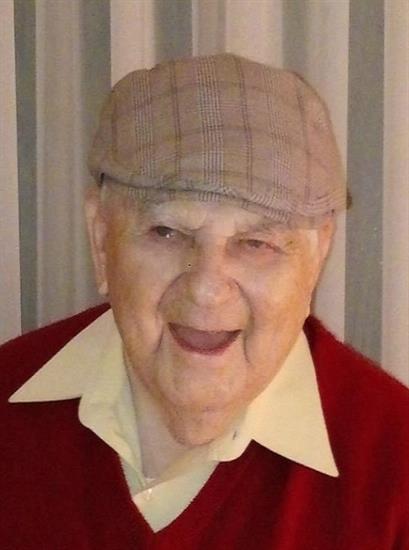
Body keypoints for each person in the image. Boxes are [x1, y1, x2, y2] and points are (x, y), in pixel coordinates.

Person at [1, 53, 408, 550]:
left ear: (317, 255)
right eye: (166, 232)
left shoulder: (396, 469)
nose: (207, 288)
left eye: (257, 243)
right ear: (101, 238)